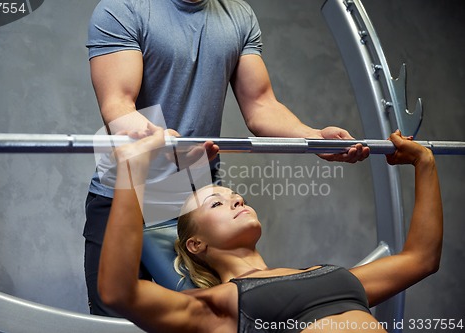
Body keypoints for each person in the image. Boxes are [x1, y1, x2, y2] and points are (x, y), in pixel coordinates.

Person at [84, 0, 369, 316]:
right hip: (122, 191)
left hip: (194, 198)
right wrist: (161, 145)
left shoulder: (239, 15)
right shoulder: (123, 8)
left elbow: (261, 105)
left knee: (213, 318)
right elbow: (119, 105)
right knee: (114, 319)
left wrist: (311, 137)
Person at [98, 125, 443, 333]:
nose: (236, 200)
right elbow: (118, 293)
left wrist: (423, 162)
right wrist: (132, 172)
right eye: (216, 203)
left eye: (234, 195)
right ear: (196, 244)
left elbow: (422, 258)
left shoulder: (329, 275)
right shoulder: (217, 306)